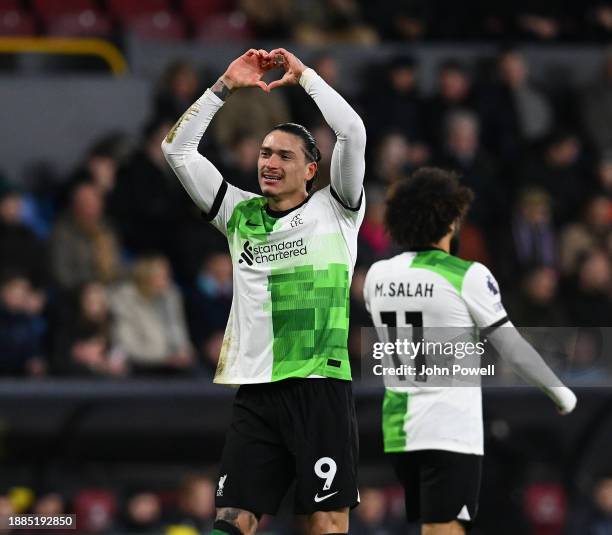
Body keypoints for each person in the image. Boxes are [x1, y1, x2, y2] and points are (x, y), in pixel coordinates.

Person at [162, 48, 366, 535]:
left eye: (284, 155)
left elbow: (352, 132)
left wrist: (307, 79)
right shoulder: (238, 213)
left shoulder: (336, 211)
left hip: (319, 386)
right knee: (232, 518)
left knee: (327, 519)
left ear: (312, 170)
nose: (270, 163)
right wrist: (224, 86)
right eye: (265, 154)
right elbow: (177, 150)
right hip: (256, 389)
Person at [362, 168, 577, 535]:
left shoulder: (377, 276)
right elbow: (511, 347)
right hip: (449, 427)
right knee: (444, 529)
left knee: (437, 527)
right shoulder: (468, 275)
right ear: (449, 221)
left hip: (399, 429)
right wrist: (560, 393)